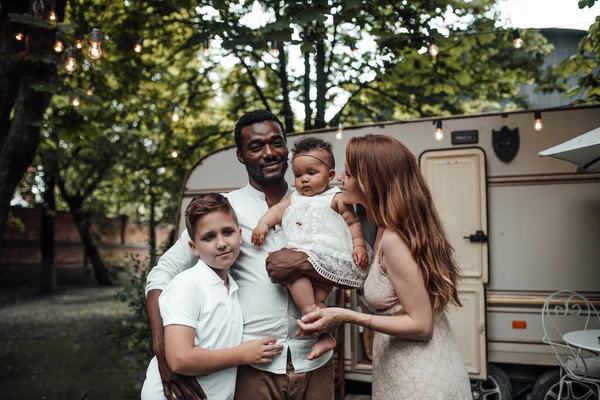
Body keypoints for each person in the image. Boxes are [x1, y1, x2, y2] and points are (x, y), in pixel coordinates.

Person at [145, 110, 336, 400]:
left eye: (276, 142)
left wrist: (305, 264)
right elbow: (163, 271)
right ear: (241, 155)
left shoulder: (322, 203)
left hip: (316, 361)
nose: (269, 153)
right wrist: (161, 347)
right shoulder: (224, 212)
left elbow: (358, 267)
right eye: (256, 146)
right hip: (253, 367)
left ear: (286, 148)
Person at [296, 134, 472, 399]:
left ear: (371, 181)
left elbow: (422, 326)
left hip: (421, 378)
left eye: (349, 173)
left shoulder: (394, 241)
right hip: (401, 369)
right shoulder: (382, 229)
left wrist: (345, 315)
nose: (340, 178)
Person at [141, 193, 283, 400]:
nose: (221, 243)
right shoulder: (187, 285)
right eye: (209, 237)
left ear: (240, 234)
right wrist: (243, 354)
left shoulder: (230, 287)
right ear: (193, 247)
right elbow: (180, 359)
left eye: (228, 232)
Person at [251, 137, 368, 360]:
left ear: (330, 175)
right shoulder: (293, 198)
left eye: (312, 173)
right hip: (304, 256)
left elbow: (353, 223)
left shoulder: (335, 198)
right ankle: (325, 336)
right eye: (298, 175)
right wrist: (262, 224)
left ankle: (309, 318)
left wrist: (359, 246)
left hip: (328, 258)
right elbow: (276, 211)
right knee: (317, 302)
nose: (304, 180)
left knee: (294, 276)